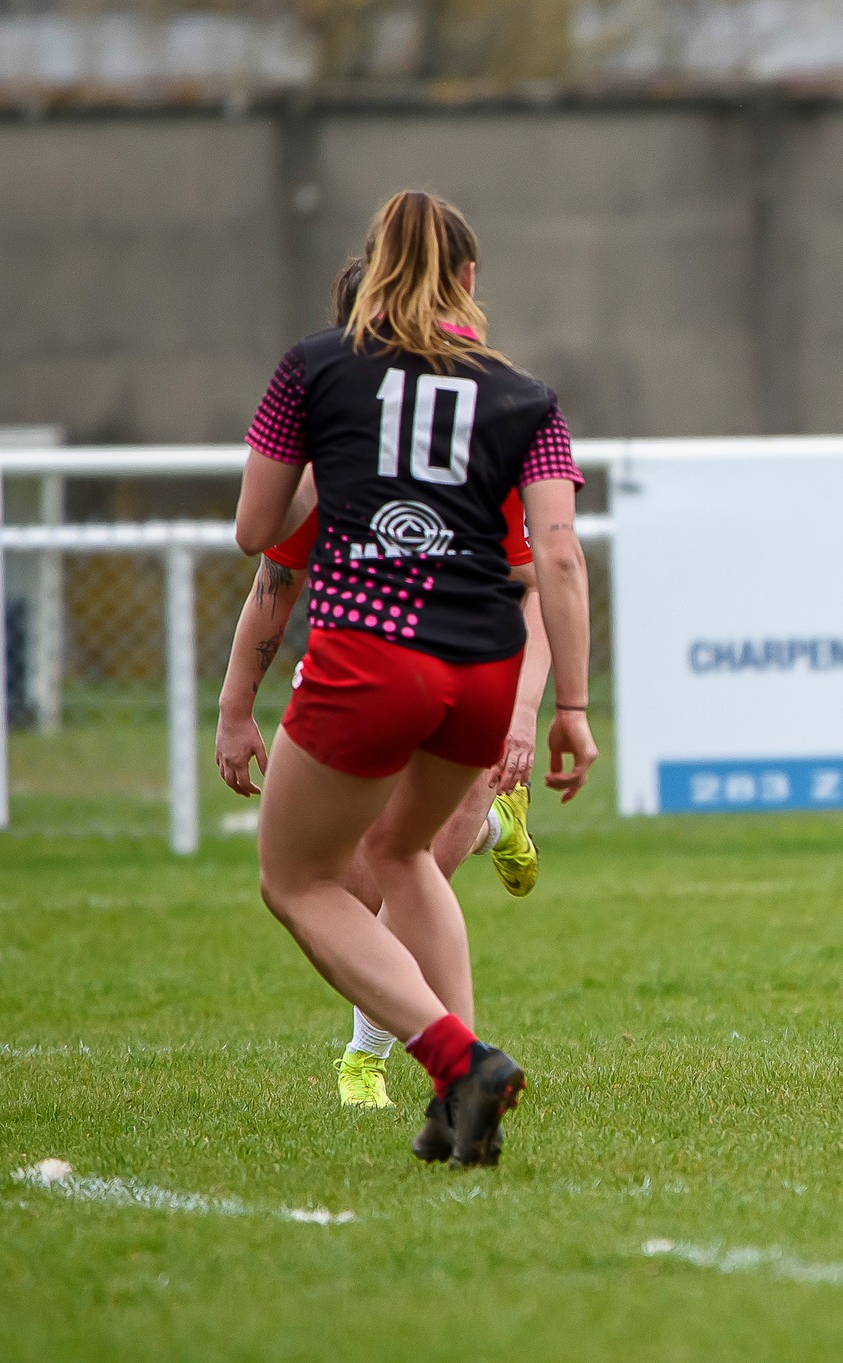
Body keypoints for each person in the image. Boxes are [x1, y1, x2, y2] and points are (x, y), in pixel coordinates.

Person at [234, 189, 596, 1166]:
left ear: (370, 269)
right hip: (482, 663)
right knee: (404, 854)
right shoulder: (525, 396)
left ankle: (454, 1058)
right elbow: (560, 560)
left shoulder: (313, 368)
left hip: (369, 650)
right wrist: (570, 706)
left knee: (299, 879)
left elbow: (257, 530)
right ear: (469, 278)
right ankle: (459, 1104)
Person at [214, 473, 553, 1110]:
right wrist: (235, 707)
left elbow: (547, 576)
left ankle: (373, 1060)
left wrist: (531, 709)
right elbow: (272, 566)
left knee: (403, 867)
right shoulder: (337, 454)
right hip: (362, 680)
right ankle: (496, 828)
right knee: (357, 888)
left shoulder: (485, 450)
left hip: (469, 676)